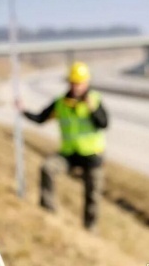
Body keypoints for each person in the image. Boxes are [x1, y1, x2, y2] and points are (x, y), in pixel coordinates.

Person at [17, 62, 108, 231]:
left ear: (86, 82)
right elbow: (40, 118)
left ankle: (90, 228)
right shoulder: (60, 103)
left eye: (79, 82)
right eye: (73, 82)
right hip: (69, 154)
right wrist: (23, 111)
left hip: (92, 155)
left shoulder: (94, 100)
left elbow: (103, 124)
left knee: (93, 194)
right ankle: (48, 211)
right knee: (47, 168)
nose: (76, 86)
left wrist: (92, 109)